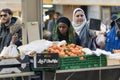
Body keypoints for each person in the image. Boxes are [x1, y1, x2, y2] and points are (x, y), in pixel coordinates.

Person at [0, 8, 22, 80]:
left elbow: (21, 42)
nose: (3, 17)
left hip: (13, 59)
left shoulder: (17, 28)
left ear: (11, 15)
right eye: (1, 15)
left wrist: (12, 42)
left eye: (5, 15)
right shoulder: (2, 28)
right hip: (2, 58)